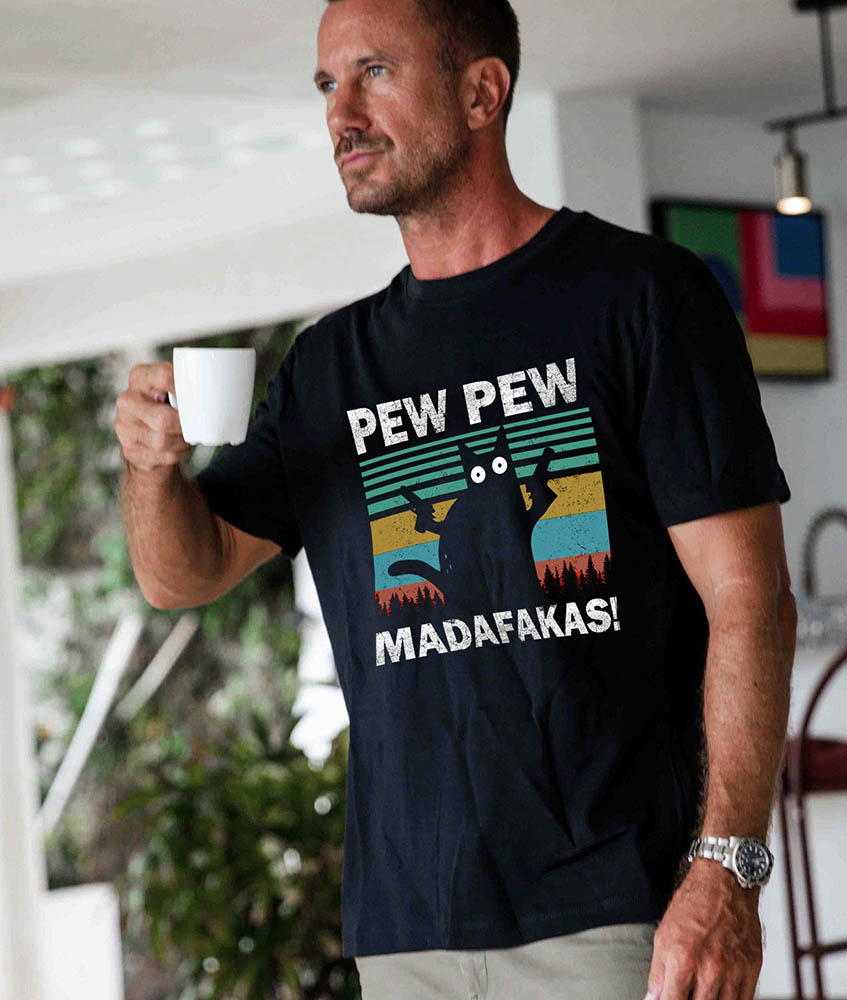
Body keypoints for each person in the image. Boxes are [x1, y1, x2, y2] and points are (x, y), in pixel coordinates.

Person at [114, 0, 797, 996]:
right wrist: (151, 468)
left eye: (375, 72)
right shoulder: (328, 368)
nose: (341, 113)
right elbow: (185, 573)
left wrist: (728, 868)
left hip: (615, 912)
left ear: (482, 92)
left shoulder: (642, 297)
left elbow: (751, 597)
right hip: (406, 929)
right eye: (327, 84)